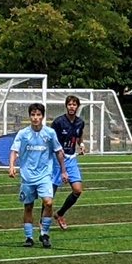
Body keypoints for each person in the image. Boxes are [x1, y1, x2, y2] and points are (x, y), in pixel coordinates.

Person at [9, 103, 69, 248]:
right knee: (28, 206)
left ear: (42, 116)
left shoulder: (49, 133)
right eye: (33, 115)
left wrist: (63, 170)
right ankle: (29, 237)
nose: (35, 118)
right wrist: (11, 166)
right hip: (28, 176)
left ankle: (45, 234)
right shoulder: (23, 134)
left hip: (44, 176)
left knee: (48, 202)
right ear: (29, 116)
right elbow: (14, 150)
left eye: (38, 115)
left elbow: (58, 151)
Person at [51, 95, 86, 230]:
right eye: (70, 104)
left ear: (77, 107)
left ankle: (60, 214)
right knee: (51, 192)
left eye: (74, 104)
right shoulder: (58, 122)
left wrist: (81, 144)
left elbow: (79, 135)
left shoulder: (80, 122)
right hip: (57, 159)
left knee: (77, 190)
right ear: (66, 106)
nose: (72, 107)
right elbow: (51, 139)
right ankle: (44, 220)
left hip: (71, 159)